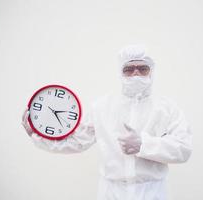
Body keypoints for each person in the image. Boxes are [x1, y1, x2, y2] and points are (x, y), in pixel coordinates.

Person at [22, 45, 192, 200]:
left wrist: (144, 144)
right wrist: (37, 135)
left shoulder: (167, 108)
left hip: (153, 192)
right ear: (120, 72)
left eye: (142, 68)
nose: (136, 74)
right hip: (111, 192)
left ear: (151, 71)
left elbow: (183, 148)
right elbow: (77, 141)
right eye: (129, 69)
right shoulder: (102, 107)